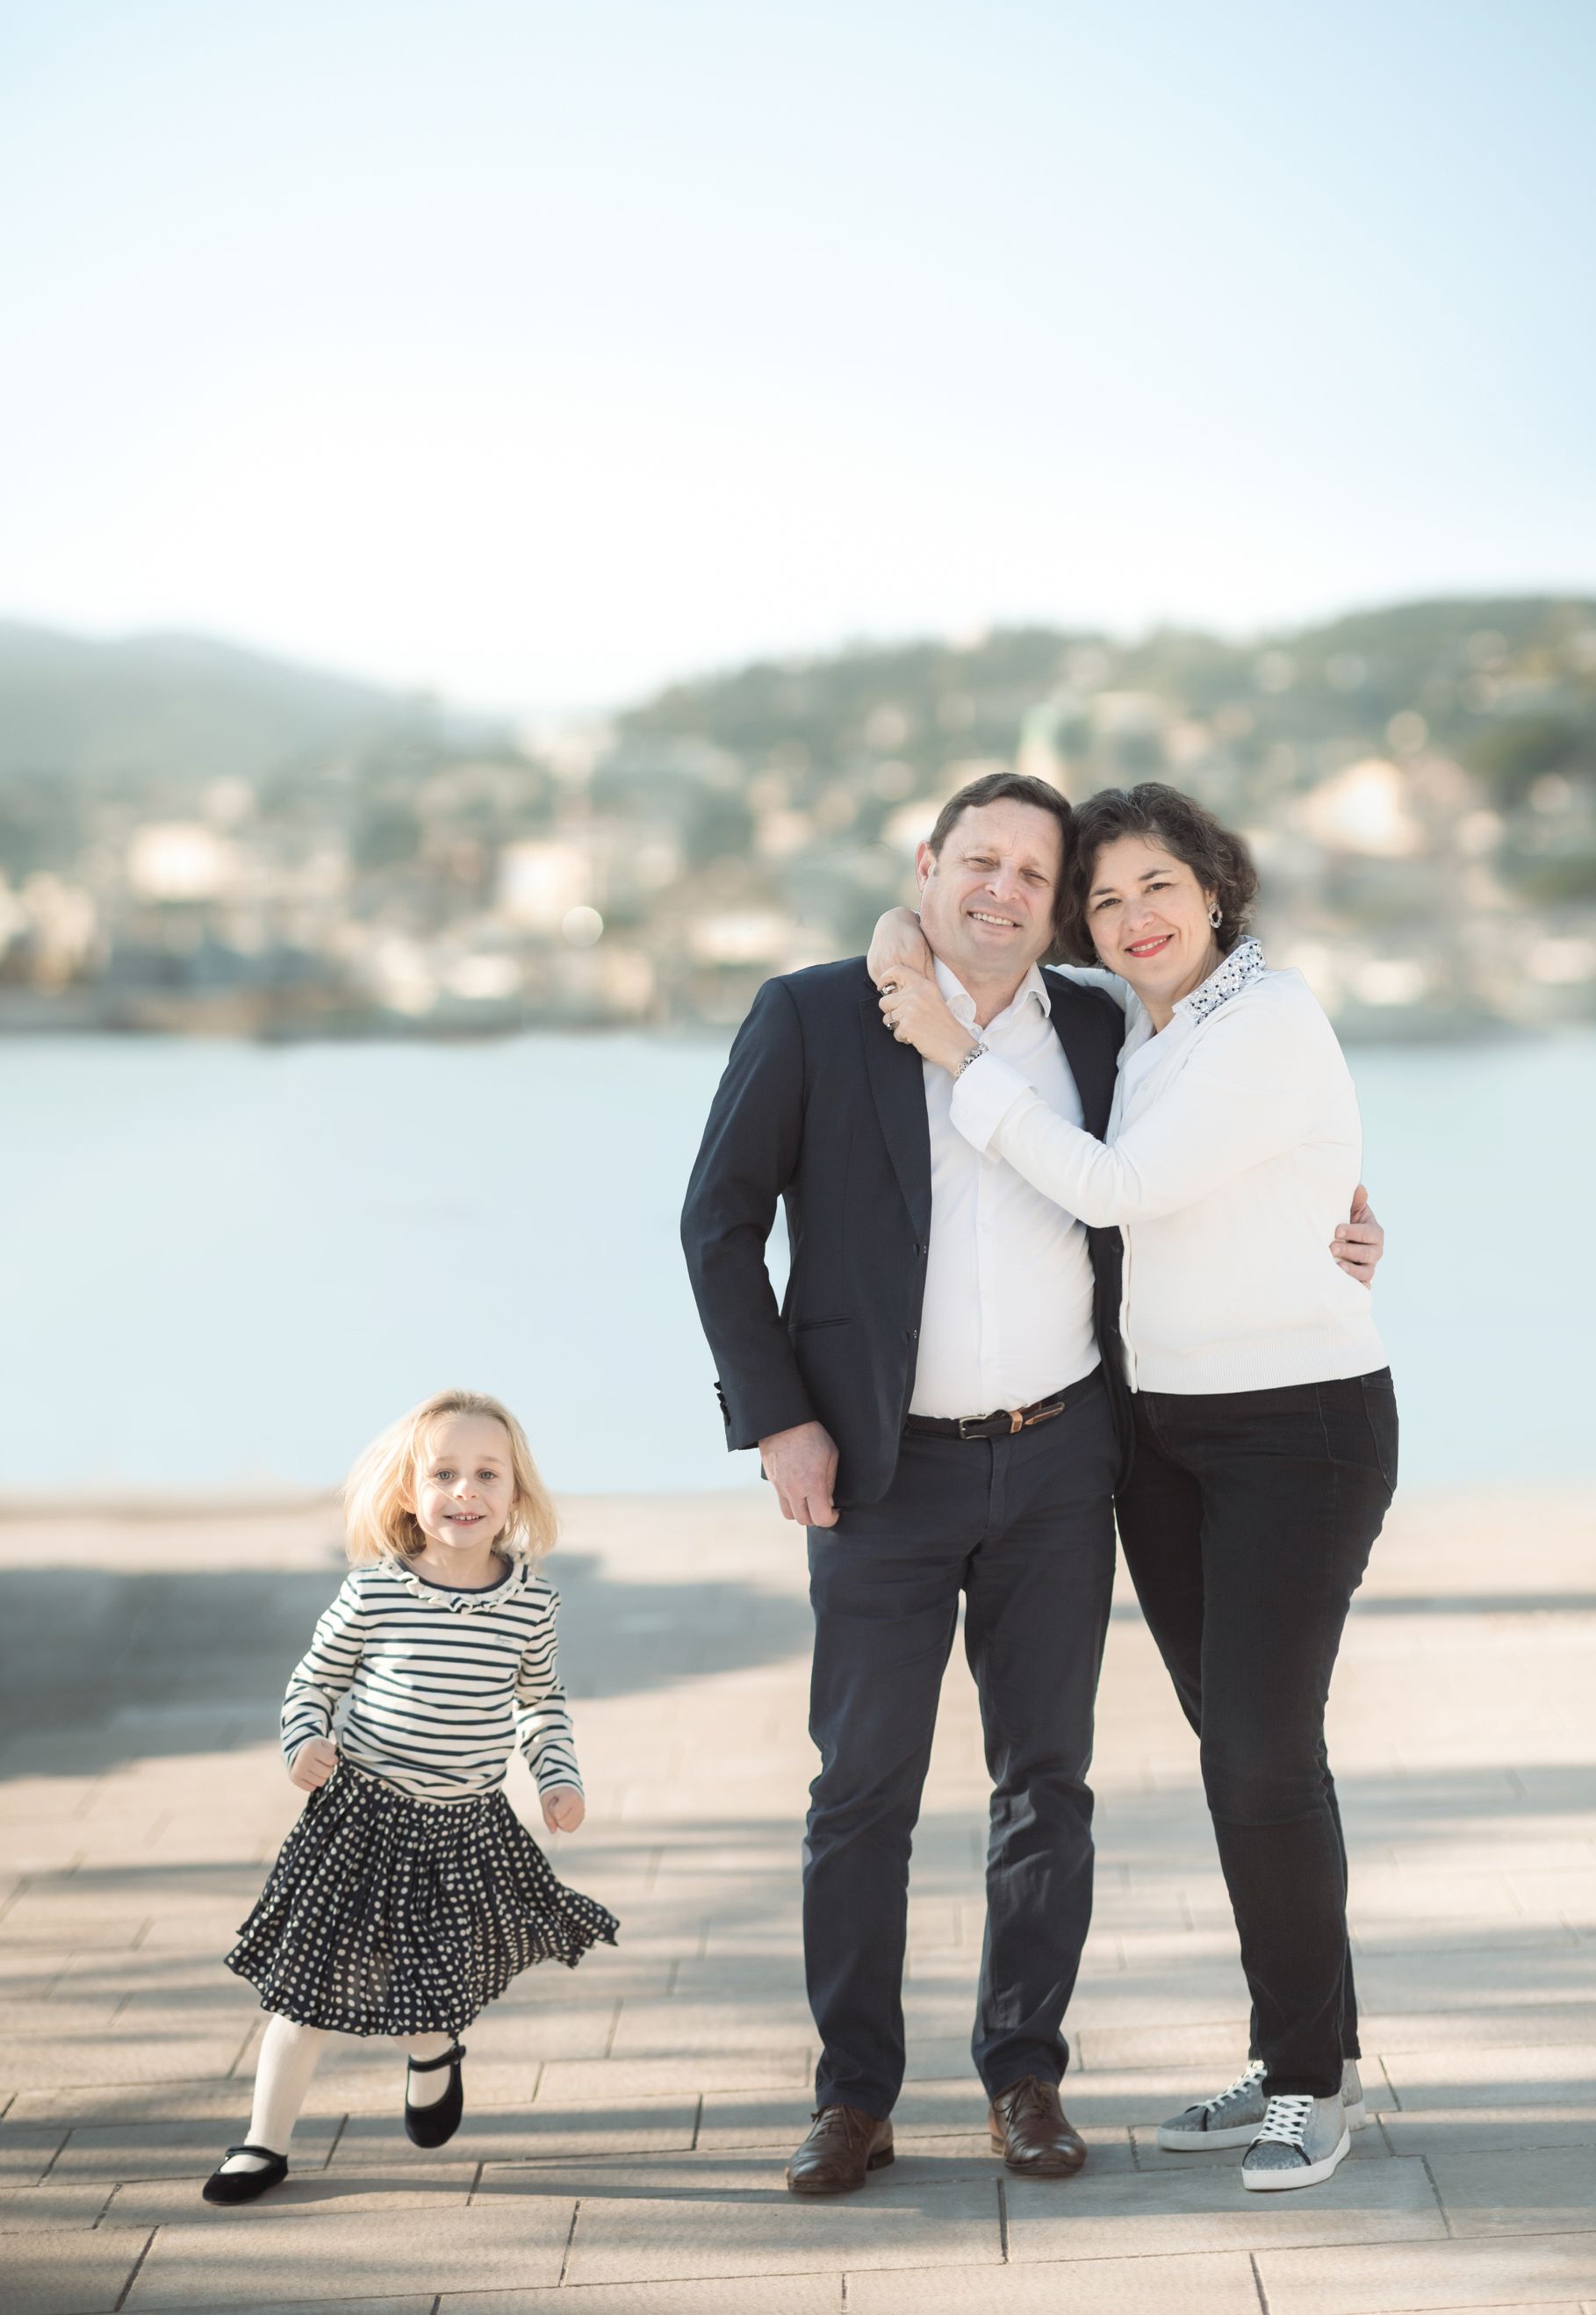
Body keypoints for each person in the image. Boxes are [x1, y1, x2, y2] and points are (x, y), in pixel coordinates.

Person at [680, 770, 1382, 2200]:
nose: (1010, 892)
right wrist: (779, 1423)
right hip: (882, 1468)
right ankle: (853, 2097)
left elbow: (1192, 1160)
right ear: (929, 865)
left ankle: (1026, 2078)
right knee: (860, 1794)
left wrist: (1347, 1210)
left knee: (1050, 1788)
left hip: (1071, 1458)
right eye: (980, 862)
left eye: (1038, 874)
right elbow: (718, 1224)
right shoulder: (817, 1011)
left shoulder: (1095, 1023)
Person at [201, 1389, 617, 2205]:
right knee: (307, 1982)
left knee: (424, 1970)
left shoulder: (530, 1604)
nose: (466, 1491)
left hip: (462, 1824)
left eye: (486, 1474)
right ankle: (262, 2144)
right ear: (410, 1494)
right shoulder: (375, 1592)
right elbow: (310, 1685)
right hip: (360, 1815)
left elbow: (540, 1702)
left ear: (515, 1497)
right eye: (445, 1473)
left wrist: (557, 1775)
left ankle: (431, 2055)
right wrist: (303, 1743)